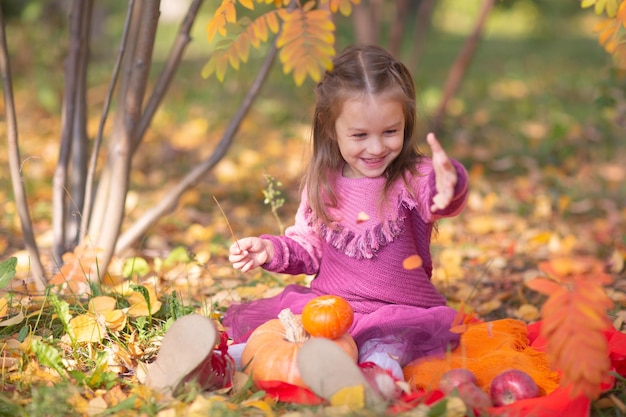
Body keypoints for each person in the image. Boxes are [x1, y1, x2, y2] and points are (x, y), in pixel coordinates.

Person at [225, 44, 469, 400]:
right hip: (330, 310)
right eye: (359, 135)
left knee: (383, 354)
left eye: (390, 132)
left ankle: (368, 388)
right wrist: (268, 249)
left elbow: (438, 195)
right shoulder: (324, 183)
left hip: (396, 317)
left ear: (406, 124)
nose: (375, 148)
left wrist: (451, 186)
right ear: (330, 129)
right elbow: (306, 248)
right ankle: (224, 365)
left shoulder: (414, 176)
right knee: (270, 344)